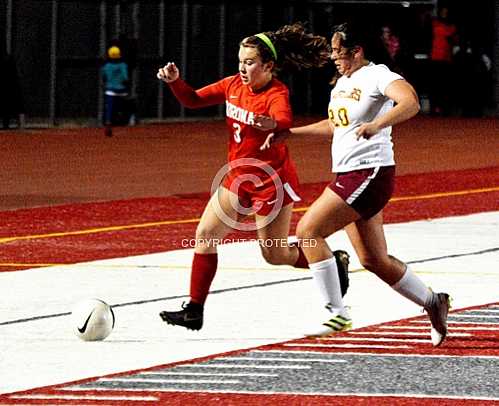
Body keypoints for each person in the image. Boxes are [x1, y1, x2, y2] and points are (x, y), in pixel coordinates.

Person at [156, 23, 349, 331]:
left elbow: (284, 120)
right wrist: (176, 82)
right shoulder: (233, 85)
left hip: (271, 182)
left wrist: (269, 123)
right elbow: (192, 100)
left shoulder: (276, 92)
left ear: (268, 66)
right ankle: (194, 309)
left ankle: (328, 262)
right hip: (238, 177)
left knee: (275, 253)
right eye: (240, 61)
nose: (242, 68)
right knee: (205, 235)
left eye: (249, 62)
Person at [278, 22, 450, 346]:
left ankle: (337, 311)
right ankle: (433, 301)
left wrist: (377, 124)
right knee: (373, 260)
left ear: (357, 51)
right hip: (352, 175)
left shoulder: (378, 75)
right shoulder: (342, 83)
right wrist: (292, 133)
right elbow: (335, 125)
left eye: (338, 51)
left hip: (369, 172)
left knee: (307, 232)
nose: (333, 57)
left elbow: (410, 102)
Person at [429, 6, 458, 115]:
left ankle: (445, 108)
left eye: (446, 12)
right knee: (435, 85)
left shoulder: (452, 26)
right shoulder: (435, 24)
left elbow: (454, 40)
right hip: (435, 57)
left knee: (445, 86)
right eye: (443, 12)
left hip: (446, 59)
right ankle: (434, 108)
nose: (444, 14)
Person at [101, 45, 129, 136]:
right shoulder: (123, 65)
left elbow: (103, 77)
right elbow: (125, 78)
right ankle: (122, 119)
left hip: (110, 91)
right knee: (121, 107)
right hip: (122, 91)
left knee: (109, 108)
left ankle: (108, 121)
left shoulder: (106, 66)